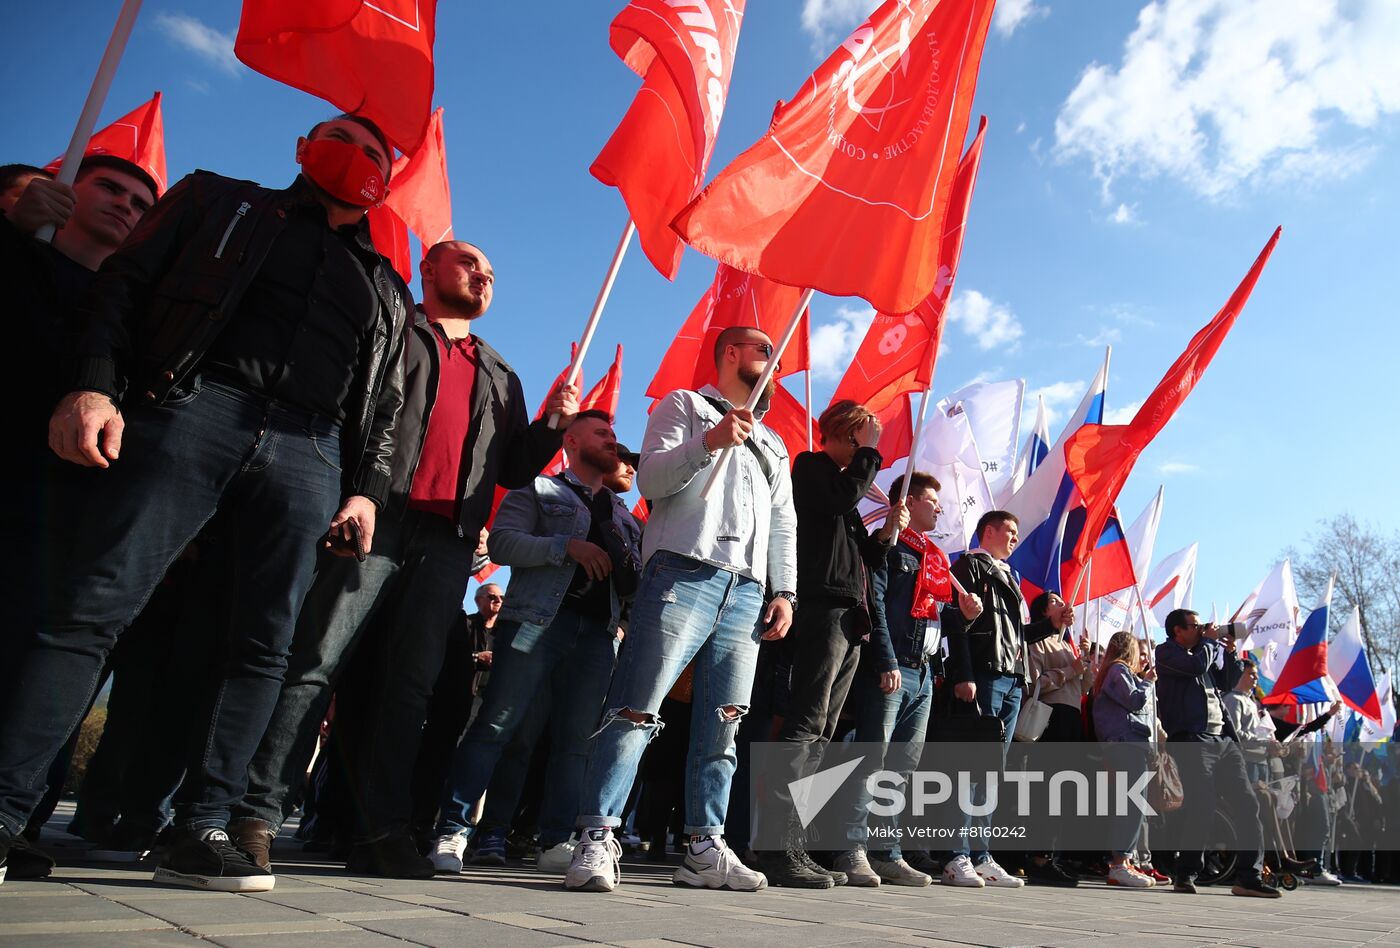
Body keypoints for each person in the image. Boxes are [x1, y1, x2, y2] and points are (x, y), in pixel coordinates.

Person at [0, 113, 411, 893]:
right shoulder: (220, 201)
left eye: (373, 151)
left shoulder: (385, 284)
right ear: (298, 147)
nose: (355, 156)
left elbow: (384, 402)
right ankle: (5, 811)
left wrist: (365, 489)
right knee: (92, 608)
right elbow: (124, 285)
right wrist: (93, 381)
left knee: (263, 645)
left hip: (312, 453)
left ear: (386, 179)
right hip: (190, 411)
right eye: (338, 138)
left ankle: (203, 831)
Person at [229, 237, 576, 879]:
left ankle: (377, 832)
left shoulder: (502, 373)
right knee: (316, 663)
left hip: (446, 544)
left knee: (406, 690)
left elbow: (515, 467)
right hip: (373, 517)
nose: (481, 278)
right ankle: (255, 815)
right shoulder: (394, 329)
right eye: (469, 264)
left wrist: (553, 425)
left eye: (491, 274)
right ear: (429, 268)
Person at [564, 325, 797, 894]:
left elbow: (783, 522)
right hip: (683, 571)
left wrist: (785, 591)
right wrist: (710, 442)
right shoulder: (686, 405)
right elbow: (651, 478)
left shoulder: (774, 442)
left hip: (746, 590)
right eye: (766, 350)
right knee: (636, 707)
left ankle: (702, 845)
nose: (775, 362)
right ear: (732, 354)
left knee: (725, 721)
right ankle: (596, 836)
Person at [427, 410, 642, 875]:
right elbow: (502, 544)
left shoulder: (625, 516)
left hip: (597, 637)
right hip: (536, 624)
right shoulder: (539, 490)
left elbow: (633, 580)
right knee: (497, 727)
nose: (612, 441)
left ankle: (556, 840)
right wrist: (564, 546)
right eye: (602, 434)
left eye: (613, 433)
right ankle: (453, 830)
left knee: (575, 743)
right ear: (571, 440)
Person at [758, 400, 904, 889]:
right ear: (845, 434)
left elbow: (866, 559)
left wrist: (887, 533)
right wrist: (870, 454)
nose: (870, 448)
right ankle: (774, 846)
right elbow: (841, 498)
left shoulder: (844, 490)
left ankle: (796, 842)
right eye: (862, 437)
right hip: (821, 609)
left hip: (850, 616)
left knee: (823, 732)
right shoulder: (811, 467)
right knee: (805, 723)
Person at [939, 510, 1067, 888]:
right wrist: (963, 673)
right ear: (988, 531)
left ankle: (981, 855)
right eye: (1009, 531)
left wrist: (1052, 624)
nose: (1015, 538)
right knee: (970, 769)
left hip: (1012, 679)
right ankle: (955, 854)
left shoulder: (1009, 575)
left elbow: (1015, 634)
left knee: (992, 773)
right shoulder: (970, 567)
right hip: (985, 675)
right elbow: (958, 622)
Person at [836, 471, 946, 887]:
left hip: (924, 671)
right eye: (932, 501)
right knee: (873, 759)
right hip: (894, 665)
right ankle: (852, 848)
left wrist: (963, 617)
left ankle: (887, 851)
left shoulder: (934, 557)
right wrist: (885, 659)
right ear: (910, 502)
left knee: (902, 766)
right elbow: (875, 603)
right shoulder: (890, 546)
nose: (939, 508)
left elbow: (934, 615)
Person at [1155, 609, 1281, 897]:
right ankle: (1186, 873)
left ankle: (1248, 877)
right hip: (1192, 740)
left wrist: (1232, 654)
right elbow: (1195, 667)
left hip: (1223, 740)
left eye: (1202, 626)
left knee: (1249, 805)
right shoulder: (1166, 653)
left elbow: (1226, 683)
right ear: (1177, 630)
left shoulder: (1204, 652)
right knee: (1202, 806)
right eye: (1195, 626)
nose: (1201, 630)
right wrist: (1210, 643)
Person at [408, 582, 503, 846]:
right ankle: (431, 820)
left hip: (488, 700)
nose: (497, 602)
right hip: (459, 698)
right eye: (491, 597)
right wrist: (475, 658)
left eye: (501, 598)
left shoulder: (505, 632)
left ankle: (466, 824)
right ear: (479, 599)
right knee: (445, 755)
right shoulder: (465, 625)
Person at [1022, 590, 1086, 887]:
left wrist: (1084, 663)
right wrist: (1068, 670)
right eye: (1056, 602)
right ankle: (1038, 858)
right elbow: (1035, 683)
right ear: (1044, 612)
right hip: (1052, 719)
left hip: (1072, 719)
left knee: (1065, 791)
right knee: (1049, 790)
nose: (1065, 605)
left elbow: (1083, 687)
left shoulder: (1068, 644)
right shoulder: (1037, 640)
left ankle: (1051, 854)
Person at [1091, 630, 1158, 888]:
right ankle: (1119, 864)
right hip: (1124, 744)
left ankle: (1124, 861)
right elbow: (1135, 701)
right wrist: (1148, 681)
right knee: (1131, 804)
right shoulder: (1118, 671)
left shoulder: (1115, 672)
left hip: (1126, 743)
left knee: (1131, 804)